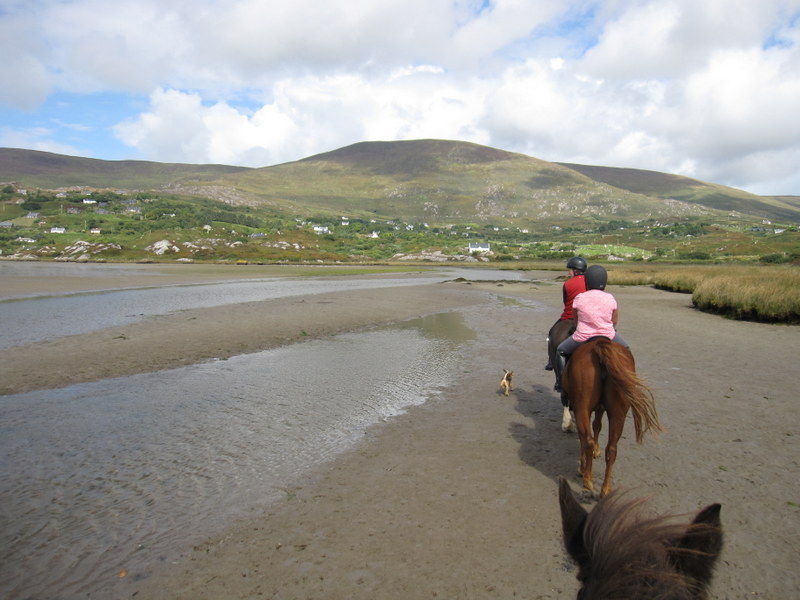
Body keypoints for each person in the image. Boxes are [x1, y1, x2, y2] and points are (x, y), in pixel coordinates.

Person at [553, 264, 629, 392]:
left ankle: (561, 383)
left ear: (587, 282)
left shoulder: (580, 298)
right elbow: (614, 320)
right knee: (626, 348)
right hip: (608, 335)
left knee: (560, 351)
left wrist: (581, 327)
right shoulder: (610, 298)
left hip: (583, 336)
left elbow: (576, 319)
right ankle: (627, 382)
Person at [544, 256, 587, 371]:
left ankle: (551, 361)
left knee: (551, 333)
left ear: (575, 270)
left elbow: (566, 301)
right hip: (586, 317)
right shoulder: (590, 281)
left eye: (570, 270)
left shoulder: (568, 284)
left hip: (568, 316)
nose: (568, 272)